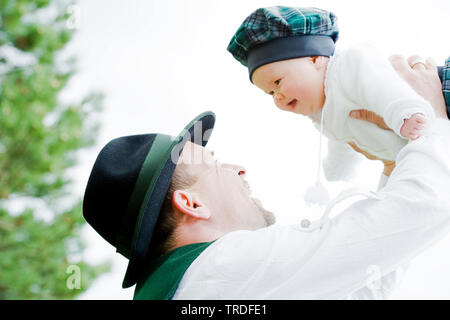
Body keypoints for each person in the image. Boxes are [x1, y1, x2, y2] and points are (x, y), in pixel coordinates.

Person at [82, 51, 450, 299]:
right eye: (214, 162)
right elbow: (423, 207)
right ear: (190, 203)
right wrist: (432, 118)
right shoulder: (219, 270)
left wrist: (393, 167)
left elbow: (365, 283)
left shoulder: (196, 288)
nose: (238, 169)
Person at [226, 6, 447, 184]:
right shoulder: (326, 115)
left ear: (315, 58)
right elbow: (344, 144)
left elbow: (383, 87)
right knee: (397, 194)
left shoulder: (348, 68)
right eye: (270, 93)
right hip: (416, 152)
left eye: (277, 82)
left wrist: (404, 114)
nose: (278, 96)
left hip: (440, 92)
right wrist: (337, 169)